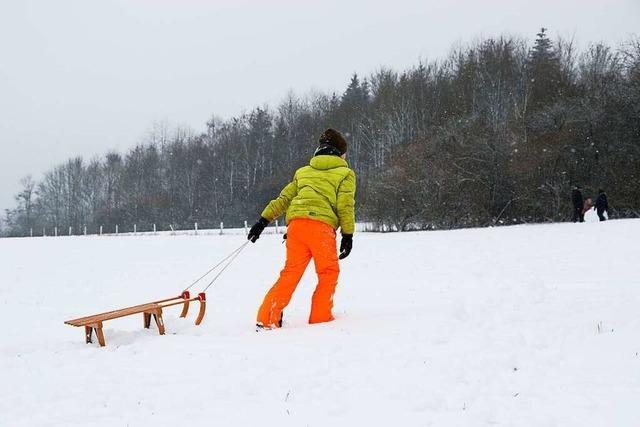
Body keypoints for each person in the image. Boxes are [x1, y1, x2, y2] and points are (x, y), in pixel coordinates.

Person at [247, 128, 356, 330]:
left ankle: (267, 317)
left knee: (290, 273)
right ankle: (320, 318)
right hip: (321, 229)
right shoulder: (345, 174)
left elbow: (284, 199)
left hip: (296, 227)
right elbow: (345, 205)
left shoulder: (303, 172)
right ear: (341, 153)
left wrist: (263, 221)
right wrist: (347, 235)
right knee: (328, 273)